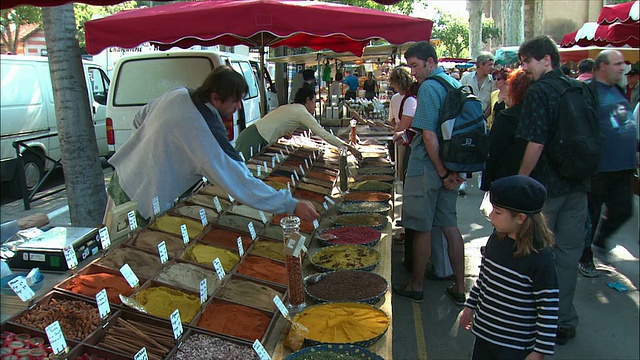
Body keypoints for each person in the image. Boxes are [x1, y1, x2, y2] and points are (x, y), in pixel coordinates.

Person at [105, 66, 319, 225]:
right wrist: (290, 204)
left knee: (112, 238)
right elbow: (241, 183)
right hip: (144, 202)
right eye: (234, 101)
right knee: (121, 260)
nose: (238, 107)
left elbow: (138, 118)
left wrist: (144, 150)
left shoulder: (177, 94)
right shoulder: (203, 131)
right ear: (216, 98)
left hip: (122, 178)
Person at [515, 35, 594, 345]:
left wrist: (520, 182)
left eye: (527, 62)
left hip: (548, 187)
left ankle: (536, 318)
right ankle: (562, 319)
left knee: (534, 252)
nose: (524, 69)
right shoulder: (582, 88)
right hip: (579, 183)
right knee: (567, 254)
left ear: (546, 59)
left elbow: (536, 143)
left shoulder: (540, 92)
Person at [392, 41, 466, 304]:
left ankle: (416, 285)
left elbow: (430, 135)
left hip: (429, 167)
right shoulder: (453, 84)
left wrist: (442, 173)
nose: (413, 72)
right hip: (452, 166)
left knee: (421, 227)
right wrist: (450, 172)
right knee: (449, 225)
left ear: (430, 62)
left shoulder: (429, 88)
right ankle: (460, 287)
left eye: (415, 65)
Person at [460, 175, 559, 360]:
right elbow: (484, 279)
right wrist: (470, 306)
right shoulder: (496, 240)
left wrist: (539, 351)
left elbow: (548, 307)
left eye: (497, 212)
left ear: (520, 218)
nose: (490, 216)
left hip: (514, 346)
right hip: (484, 334)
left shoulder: (541, 259)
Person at [578, 50, 637, 278]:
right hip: (598, 168)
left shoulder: (618, 90)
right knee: (590, 215)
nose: (623, 68)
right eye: (618, 64)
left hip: (623, 167)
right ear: (602, 66)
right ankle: (585, 256)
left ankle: (600, 242)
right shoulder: (588, 91)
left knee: (624, 208)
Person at [235, 86, 360, 160]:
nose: (315, 106)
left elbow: (276, 123)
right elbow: (324, 134)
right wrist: (347, 147)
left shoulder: (292, 107)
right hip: (253, 138)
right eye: (314, 102)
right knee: (239, 172)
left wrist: (282, 133)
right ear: (307, 100)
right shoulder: (301, 111)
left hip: (253, 135)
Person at [481, 69, 531, 191]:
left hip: (507, 178)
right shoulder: (538, 114)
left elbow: (493, 151)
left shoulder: (507, 117)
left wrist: (486, 182)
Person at [459, 52, 496, 195]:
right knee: (464, 148)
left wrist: (482, 117)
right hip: (466, 120)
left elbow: (491, 102)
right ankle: (463, 181)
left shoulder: (492, 81)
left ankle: (481, 176)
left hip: (482, 120)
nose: (491, 67)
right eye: (489, 64)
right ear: (480, 65)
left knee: (482, 148)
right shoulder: (466, 78)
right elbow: (460, 96)